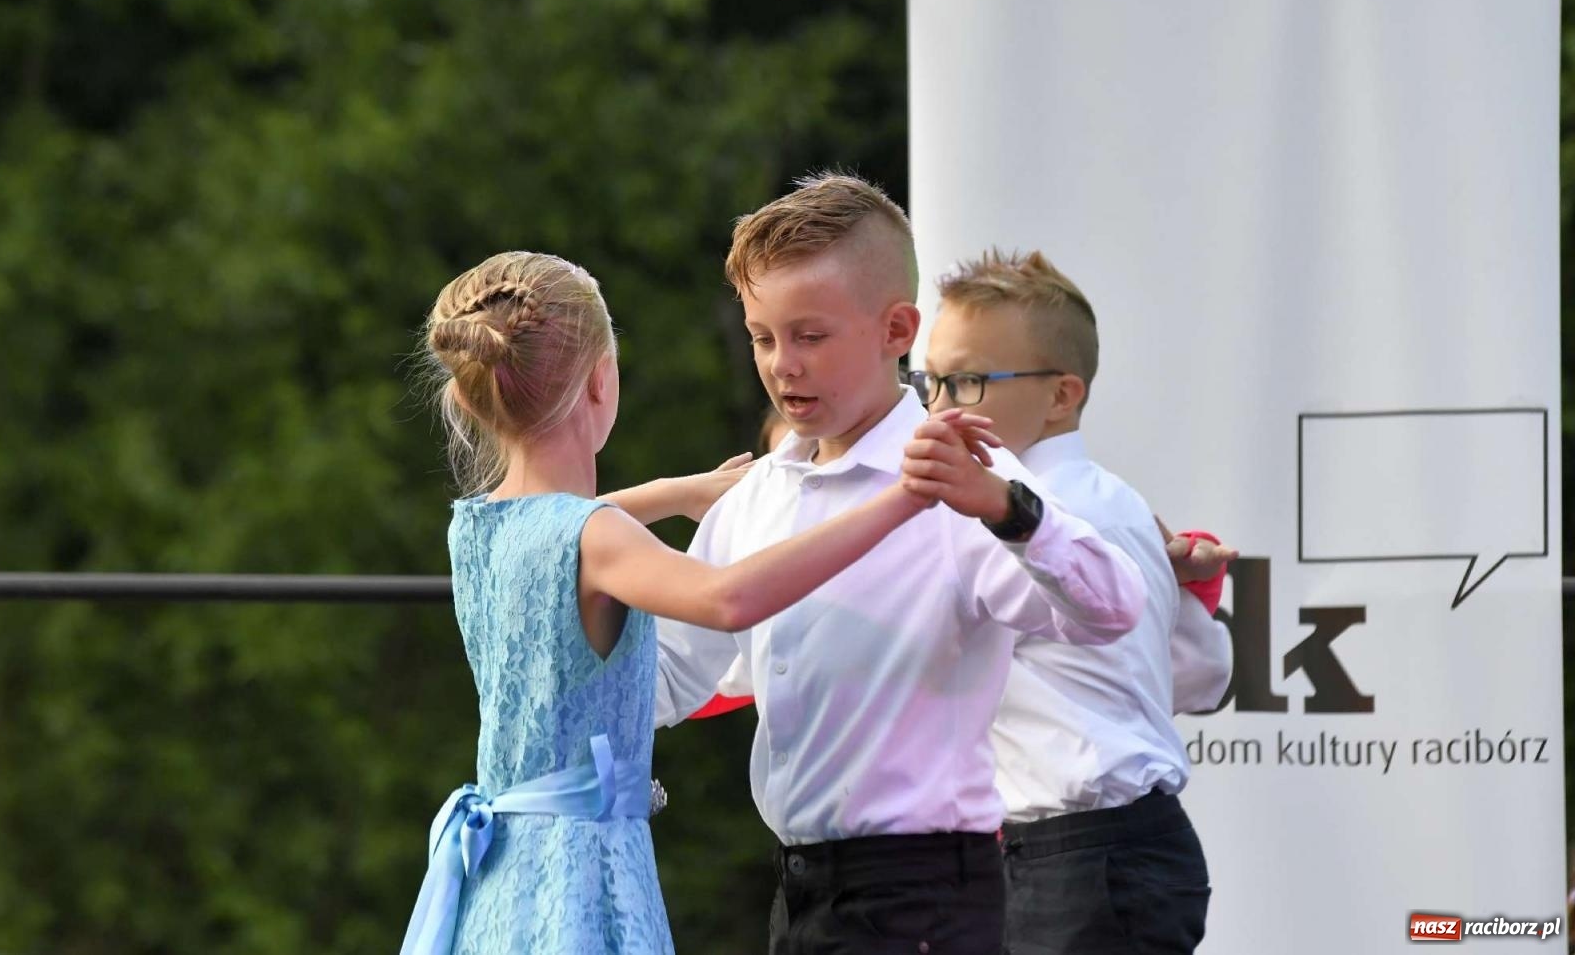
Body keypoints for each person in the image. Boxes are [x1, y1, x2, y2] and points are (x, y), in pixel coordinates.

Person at [398, 250, 994, 955]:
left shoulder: (477, 529)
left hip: (500, 873)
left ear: (467, 397)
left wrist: (678, 494)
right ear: (602, 382)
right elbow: (727, 597)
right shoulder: (597, 538)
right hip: (579, 875)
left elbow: (556, 529)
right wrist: (902, 499)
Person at [653, 174, 1149, 954]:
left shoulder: (962, 478)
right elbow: (675, 677)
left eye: (810, 336)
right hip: (796, 891)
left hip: (924, 895)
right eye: (762, 337)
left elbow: (1115, 608)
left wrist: (1008, 511)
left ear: (896, 329)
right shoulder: (753, 499)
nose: (783, 365)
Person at [915, 249, 1234, 955]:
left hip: (1089, 860)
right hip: (1074, 856)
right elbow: (1202, 677)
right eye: (929, 380)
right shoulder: (1118, 504)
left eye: (966, 381)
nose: (938, 406)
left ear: (1062, 395)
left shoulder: (1056, 515)